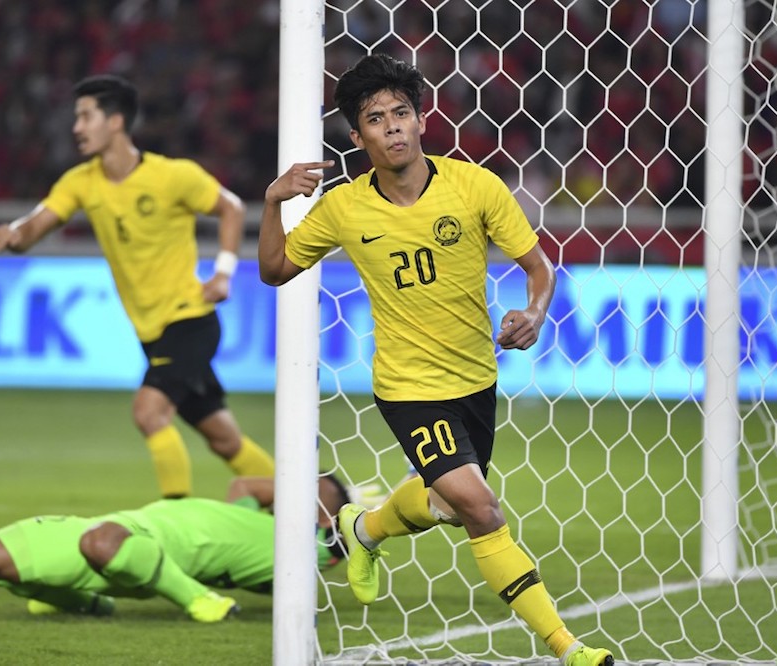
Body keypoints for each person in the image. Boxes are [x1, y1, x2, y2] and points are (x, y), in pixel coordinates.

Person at [257, 54, 613, 666]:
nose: (392, 127)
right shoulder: (343, 208)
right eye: (376, 118)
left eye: (401, 113)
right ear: (356, 135)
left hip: (475, 379)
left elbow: (538, 268)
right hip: (407, 387)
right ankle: (568, 648)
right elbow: (274, 269)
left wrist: (534, 313)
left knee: (448, 504)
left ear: (421, 121)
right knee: (480, 507)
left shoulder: (475, 187)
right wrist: (271, 203)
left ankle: (361, 531)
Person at [0, 74, 274, 498]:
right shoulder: (80, 182)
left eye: (86, 117)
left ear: (116, 121)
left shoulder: (171, 175)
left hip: (190, 322)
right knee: (224, 440)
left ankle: (173, 520)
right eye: (76, 118)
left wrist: (223, 272)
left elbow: (231, 208)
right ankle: (316, 503)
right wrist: (13, 234)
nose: (76, 128)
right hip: (152, 335)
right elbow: (37, 224)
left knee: (148, 412)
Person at [0, 474, 350, 622]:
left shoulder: (304, 548)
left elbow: (356, 536)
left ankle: (200, 601)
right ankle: (80, 601)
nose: (301, 490)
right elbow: (244, 485)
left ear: (326, 520)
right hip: (128, 522)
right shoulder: (251, 514)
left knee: (101, 544)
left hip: (151, 545)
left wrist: (348, 513)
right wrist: (298, 483)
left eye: (313, 492)